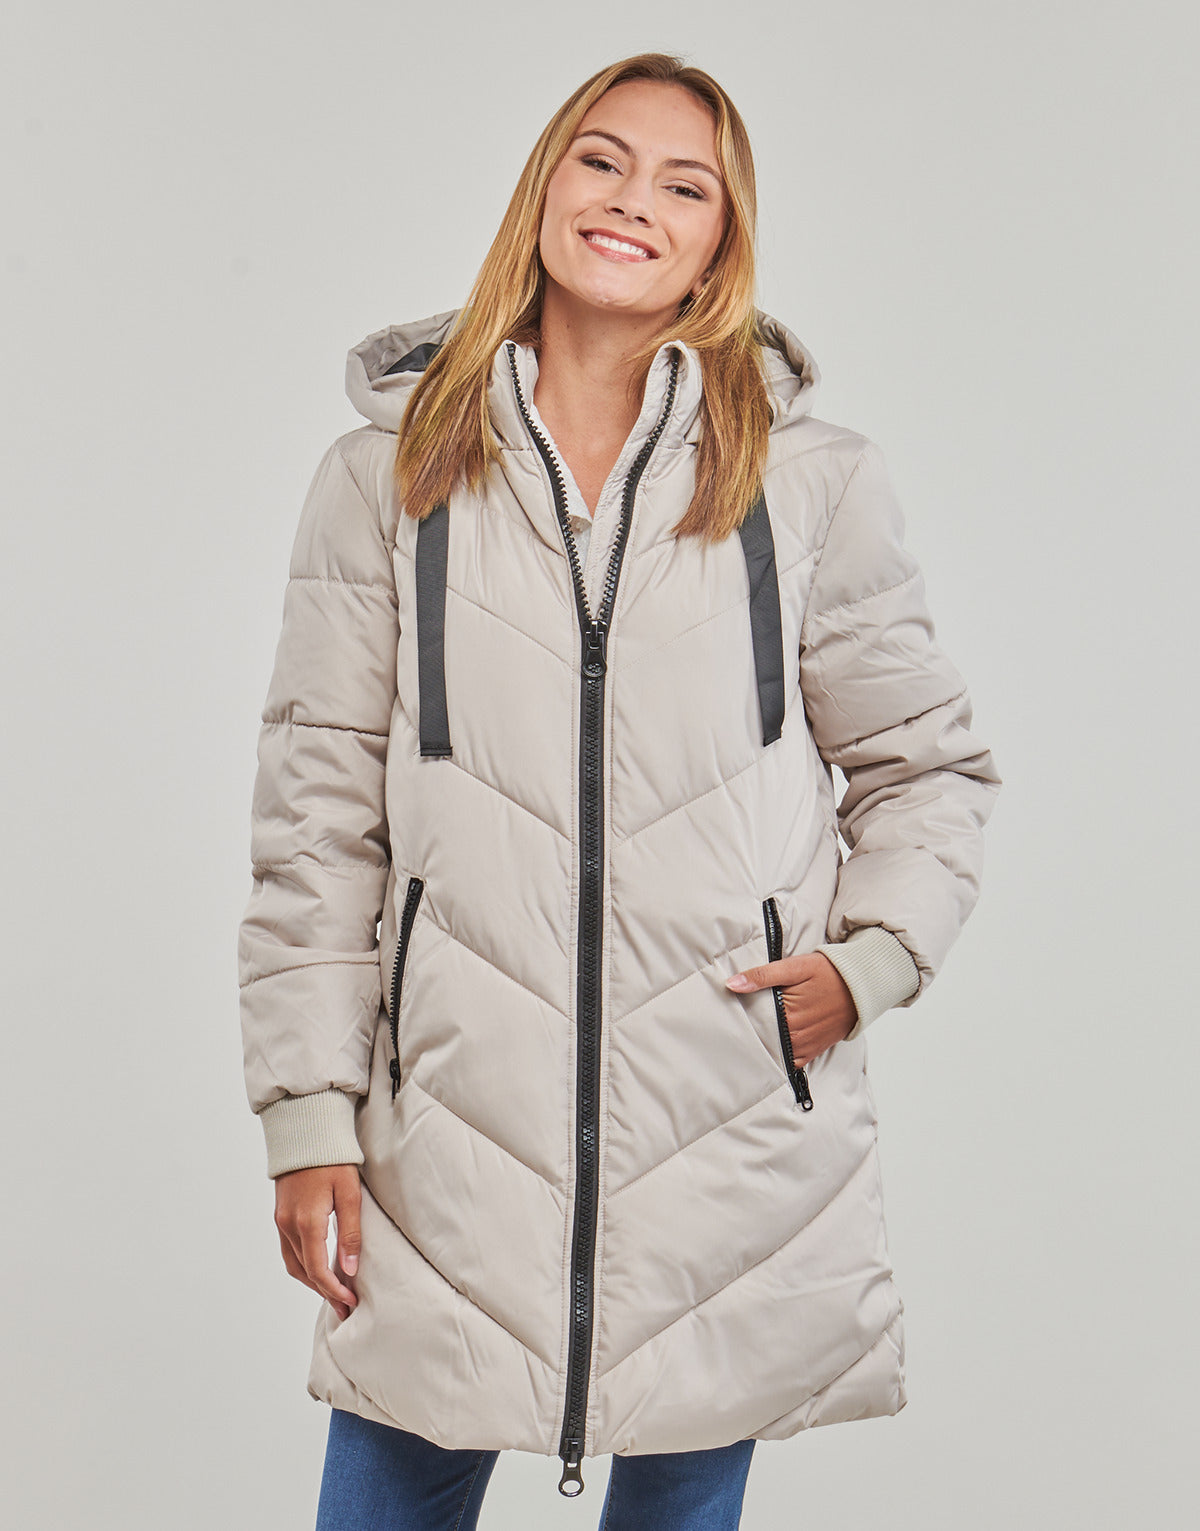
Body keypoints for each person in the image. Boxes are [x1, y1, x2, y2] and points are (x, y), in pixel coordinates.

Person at [237, 50, 1002, 1530]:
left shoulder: (810, 484)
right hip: (450, 1123)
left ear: (721, 243)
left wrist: (871, 963)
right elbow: (316, 823)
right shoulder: (386, 477)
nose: (633, 200)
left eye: (683, 184)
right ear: (545, 188)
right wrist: (309, 1112)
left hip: (728, 1123)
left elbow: (926, 767)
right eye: (601, 159)